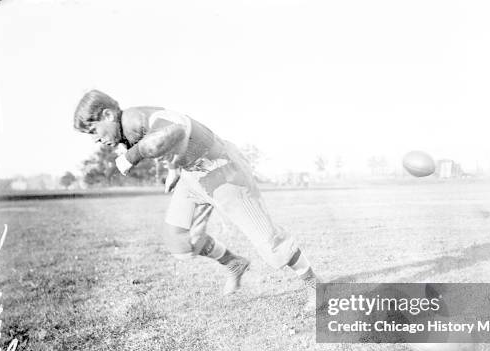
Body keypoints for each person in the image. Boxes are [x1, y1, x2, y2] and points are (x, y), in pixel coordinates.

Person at [73, 90, 320, 309]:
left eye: (93, 130)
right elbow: (178, 143)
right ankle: (234, 263)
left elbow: (174, 131)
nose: (95, 139)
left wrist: (133, 155)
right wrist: (173, 169)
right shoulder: (128, 128)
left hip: (223, 172)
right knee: (179, 240)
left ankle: (317, 288)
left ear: (107, 114)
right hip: (193, 176)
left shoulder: (135, 118)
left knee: (269, 241)